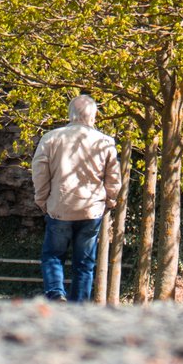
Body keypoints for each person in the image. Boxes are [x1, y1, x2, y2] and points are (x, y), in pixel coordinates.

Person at [30, 93, 121, 302]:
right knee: (85, 264)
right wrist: (110, 201)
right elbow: (113, 178)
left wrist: (42, 200)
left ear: (70, 115)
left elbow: (40, 172)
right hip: (92, 208)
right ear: (93, 117)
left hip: (59, 206)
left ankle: (55, 293)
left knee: (53, 255)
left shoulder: (51, 138)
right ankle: (79, 306)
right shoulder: (105, 142)